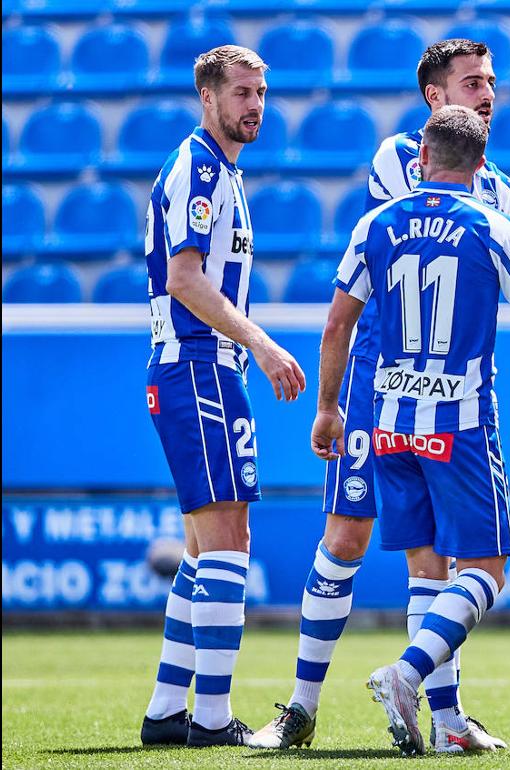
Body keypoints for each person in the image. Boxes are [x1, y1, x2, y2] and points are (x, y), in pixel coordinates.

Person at [249, 39, 510, 753]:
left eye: (492, 81)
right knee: (347, 537)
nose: (489, 92)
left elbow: (487, 278)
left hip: (434, 388)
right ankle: (301, 710)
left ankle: (444, 720)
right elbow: (432, 232)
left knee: (429, 559)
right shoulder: (397, 156)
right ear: (435, 97)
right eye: (473, 81)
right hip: (380, 378)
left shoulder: (499, 187)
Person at [311, 104, 510, 756]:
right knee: (486, 567)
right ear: (480, 167)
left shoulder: (375, 224)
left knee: (427, 567)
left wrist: (329, 408)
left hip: (388, 425)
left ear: (421, 161)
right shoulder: (493, 226)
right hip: (459, 425)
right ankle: (407, 673)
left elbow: (337, 325)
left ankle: (447, 724)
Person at [139, 44, 306, 748]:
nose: (254, 106)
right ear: (208, 97)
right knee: (228, 539)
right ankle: (210, 719)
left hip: (205, 366)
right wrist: (262, 343)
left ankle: (166, 711)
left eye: (260, 93)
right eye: (241, 93)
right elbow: (183, 278)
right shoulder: (200, 170)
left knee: (210, 548)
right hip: (198, 363)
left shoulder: (223, 173)